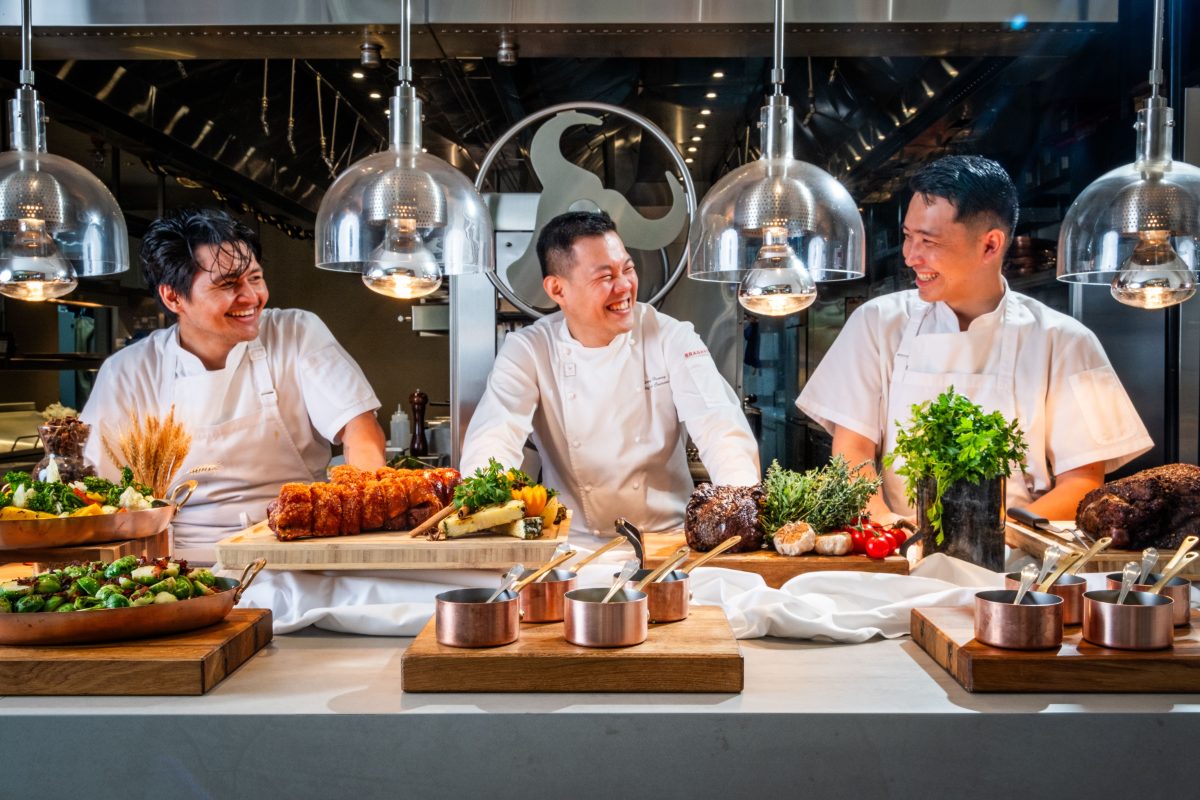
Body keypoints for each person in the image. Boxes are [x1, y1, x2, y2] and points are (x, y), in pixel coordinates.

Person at [798, 155, 1152, 522]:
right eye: (908, 236)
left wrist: (990, 540)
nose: (910, 256)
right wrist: (887, 531)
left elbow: (1081, 483)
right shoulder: (876, 323)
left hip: (1019, 564)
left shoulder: (1065, 341)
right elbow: (852, 451)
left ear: (990, 245)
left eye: (928, 241)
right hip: (903, 557)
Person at [82, 208, 385, 561]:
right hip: (181, 562)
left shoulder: (297, 332)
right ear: (172, 297)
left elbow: (360, 429)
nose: (251, 297)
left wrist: (369, 509)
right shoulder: (129, 371)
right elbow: (95, 485)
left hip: (302, 551)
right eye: (228, 285)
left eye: (255, 278)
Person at [460, 210, 760, 544]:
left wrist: (738, 512)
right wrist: (487, 509)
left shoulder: (670, 336)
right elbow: (494, 438)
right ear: (557, 289)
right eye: (605, 277)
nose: (625, 286)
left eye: (627, 269)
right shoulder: (529, 350)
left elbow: (719, 427)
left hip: (669, 543)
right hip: (573, 547)